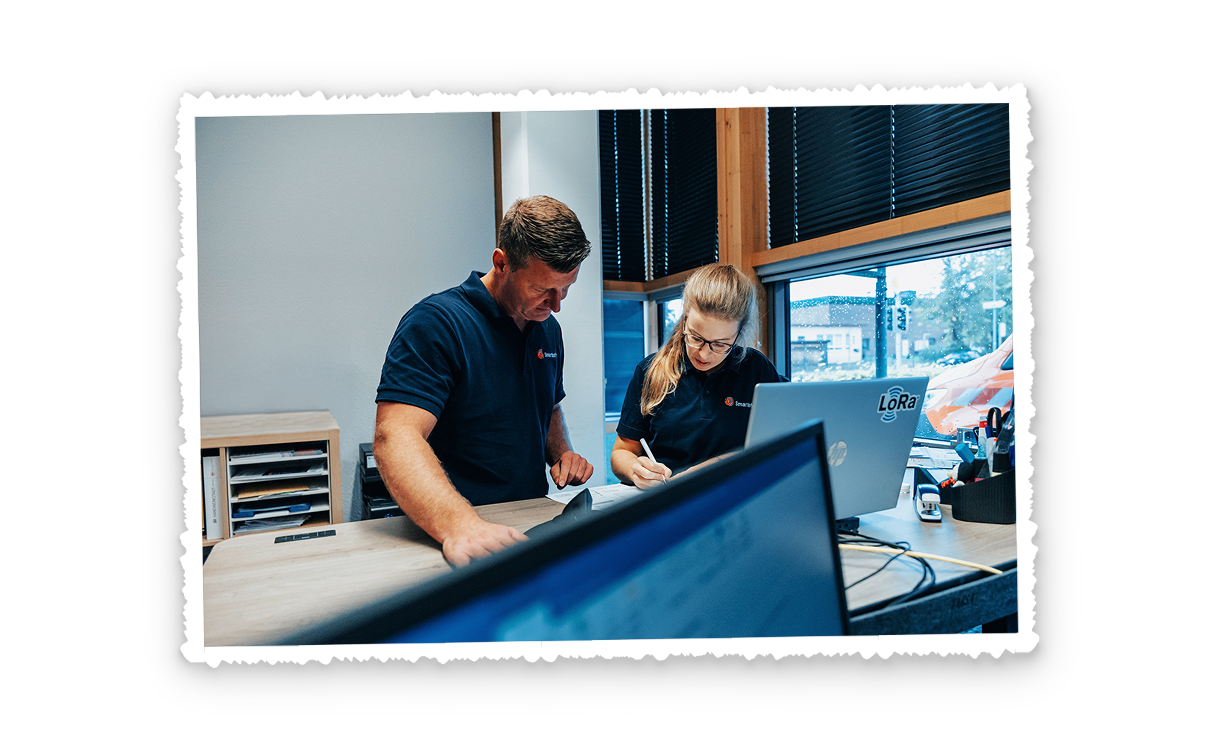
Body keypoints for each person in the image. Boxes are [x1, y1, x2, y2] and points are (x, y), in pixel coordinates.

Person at [374, 196, 595, 567]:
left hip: (529, 521)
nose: (556, 305)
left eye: (566, 289)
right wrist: (460, 525)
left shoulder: (547, 328)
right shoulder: (436, 323)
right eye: (543, 290)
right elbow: (394, 438)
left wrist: (561, 453)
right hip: (454, 529)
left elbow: (548, 403)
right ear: (501, 263)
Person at [611, 263, 783, 488]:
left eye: (720, 344)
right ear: (684, 321)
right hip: (667, 501)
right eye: (696, 337)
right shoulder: (650, 371)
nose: (704, 353)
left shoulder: (756, 369)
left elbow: (778, 442)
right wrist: (636, 471)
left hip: (735, 497)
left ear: (739, 334)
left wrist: (712, 468)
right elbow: (622, 452)